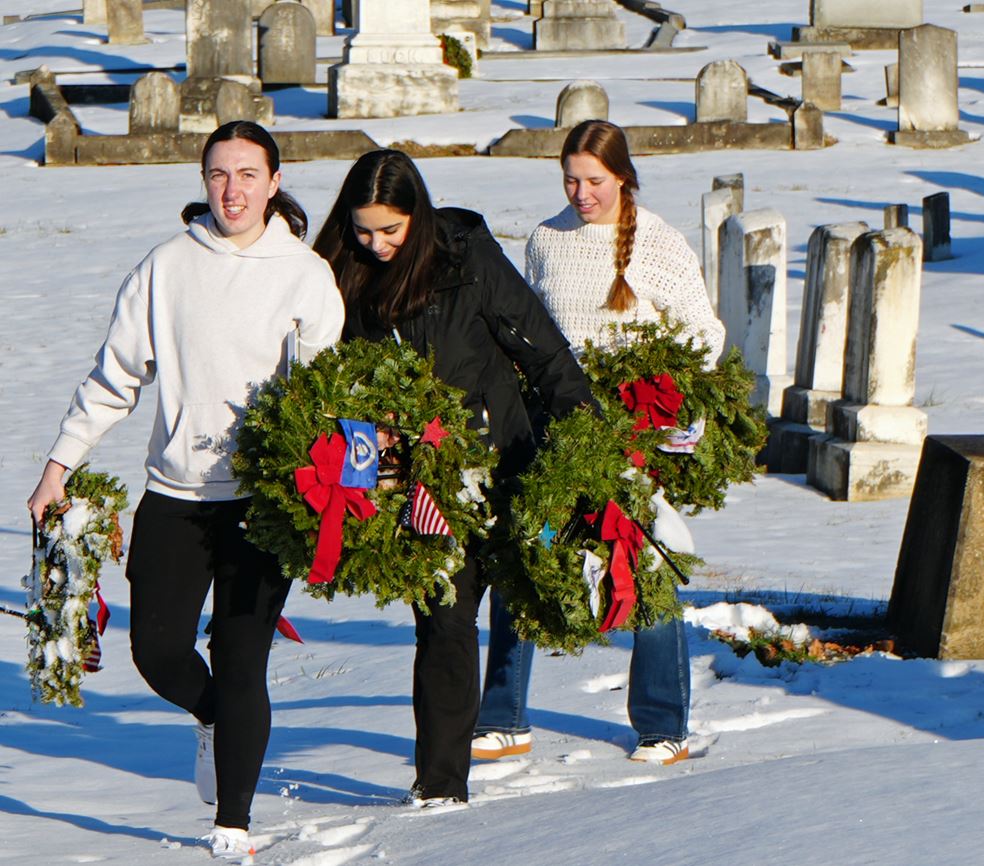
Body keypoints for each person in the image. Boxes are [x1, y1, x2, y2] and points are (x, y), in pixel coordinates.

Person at [26, 120, 345, 860]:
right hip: (175, 497)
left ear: (274, 180)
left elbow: (326, 394)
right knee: (158, 651)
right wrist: (58, 466)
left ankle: (232, 822)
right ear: (203, 182)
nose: (231, 190)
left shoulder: (303, 274)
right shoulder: (166, 267)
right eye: (217, 175)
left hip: (264, 501)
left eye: (246, 174)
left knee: (243, 661)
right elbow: (114, 379)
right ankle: (218, 722)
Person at [312, 149, 595, 807]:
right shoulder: (339, 278)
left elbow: (542, 348)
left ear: (419, 215)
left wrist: (587, 443)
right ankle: (441, 786)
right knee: (443, 620)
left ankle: (510, 717)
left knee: (527, 597)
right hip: (420, 482)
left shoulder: (467, 259)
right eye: (362, 229)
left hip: (502, 458)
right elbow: (333, 381)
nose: (375, 244)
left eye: (390, 230)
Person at [473, 119, 724, 767]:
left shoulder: (660, 245)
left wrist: (661, 399)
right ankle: (504, 716)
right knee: (524, 559)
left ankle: (663, 725)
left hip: (630, 432)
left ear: (622, 177)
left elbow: (705, 334)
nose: (582, 193)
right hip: (554, 427)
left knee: (644, 566)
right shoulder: (546, 240)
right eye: (571, 180)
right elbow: (530, 331)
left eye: (595, 181)